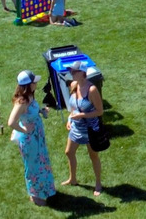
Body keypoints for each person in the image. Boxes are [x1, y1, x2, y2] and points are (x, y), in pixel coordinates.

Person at [7, 70, 56, 206]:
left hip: (37, 137)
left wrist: (41, 111)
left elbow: (31, 112)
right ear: (28, 85)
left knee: (40, 163)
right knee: (33, 167)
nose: (36, 83)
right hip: (30, 140)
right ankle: (35, 195)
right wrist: (24, 130)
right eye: (34, 82)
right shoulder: (21, 101)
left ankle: (42, 190)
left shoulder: (30, 96)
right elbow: (11, 122)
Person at [62, 61, 104, 197]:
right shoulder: (74, 86)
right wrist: (70, 118)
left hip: (90, 129)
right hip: (76, 127)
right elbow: (74, 107)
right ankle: (72, 179)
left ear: (83, 73)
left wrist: (82, 115)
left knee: (93, 156)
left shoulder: (92, 90)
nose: (72, 73)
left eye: (74, 71)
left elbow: (100, 111)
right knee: (69, 152)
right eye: (71, 71)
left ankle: (98, 184)